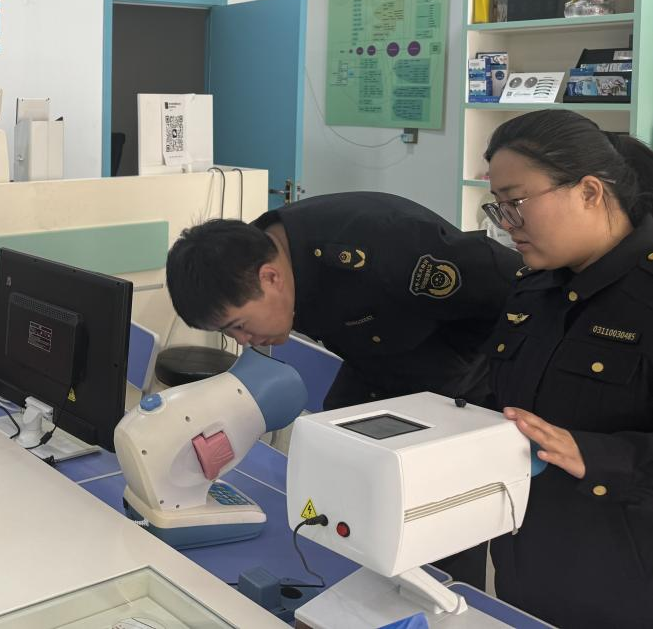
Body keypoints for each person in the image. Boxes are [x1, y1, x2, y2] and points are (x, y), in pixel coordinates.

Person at [166, 192, 521, 589]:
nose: (243, 341)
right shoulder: (254, 257)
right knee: (337, 477)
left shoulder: (385, 248)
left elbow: (518, 287)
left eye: (239, 326)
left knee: (437, 528)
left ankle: (445, 598)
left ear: (271, 277)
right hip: (379, 364)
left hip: (462, 380)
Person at [482, 110, 653, 628]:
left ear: (590, 192)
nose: (506, 223)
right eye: (498, 206)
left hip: (626, 589)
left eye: (517, 203)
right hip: (526, 569)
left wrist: (598, 456)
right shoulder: (534, 288)